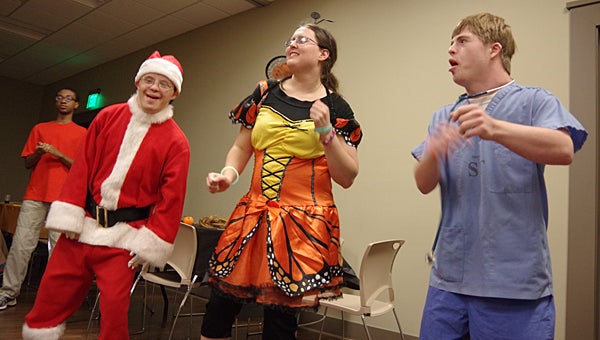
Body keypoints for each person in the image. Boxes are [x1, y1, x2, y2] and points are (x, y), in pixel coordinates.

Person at [412, 13, 587, 340]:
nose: (451, 50)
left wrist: (495, 129)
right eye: (450, 43)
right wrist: (435, 150)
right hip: (448, 282)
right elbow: (423, 183)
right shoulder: (444, 115)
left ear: (495, 48)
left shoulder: (534, 101)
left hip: (512, 286)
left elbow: (564, 148)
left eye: (462, 41)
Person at [201, 23, 362, 340]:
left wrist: (326, 132)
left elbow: (347, 177)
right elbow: (241, 147)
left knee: (280, 319)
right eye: (290, 39)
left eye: (303, 39)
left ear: (323, 54)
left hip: (303, 223)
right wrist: (228, 175)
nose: (293, 43)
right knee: (220, 305)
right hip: (254, 214)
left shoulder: (336, 107)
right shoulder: (264, 93)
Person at [22, 50, 190, 340]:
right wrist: (70, 215)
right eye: (149, 80)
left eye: (164, 84)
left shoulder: (177, 142)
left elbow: (171, 198)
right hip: (81, 225)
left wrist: (151, 243)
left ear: (174, 93)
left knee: (114, 309)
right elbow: (82, 167)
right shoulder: (107, 116)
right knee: (51, 294)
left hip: (124, 237)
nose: (154, 88)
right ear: (137, 83)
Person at [0, 88, 87, 311]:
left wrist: (58, 154)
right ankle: (8, 293)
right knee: (21, 245)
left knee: (59, 251)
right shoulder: (40, 129)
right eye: (60, 97)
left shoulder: (82, 134)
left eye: (69, 98)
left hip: (64, 199)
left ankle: (54, 300)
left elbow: (82, 169)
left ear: (76, 104)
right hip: (35, 195)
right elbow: (28, 163)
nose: (64, 101)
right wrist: (40, 153)